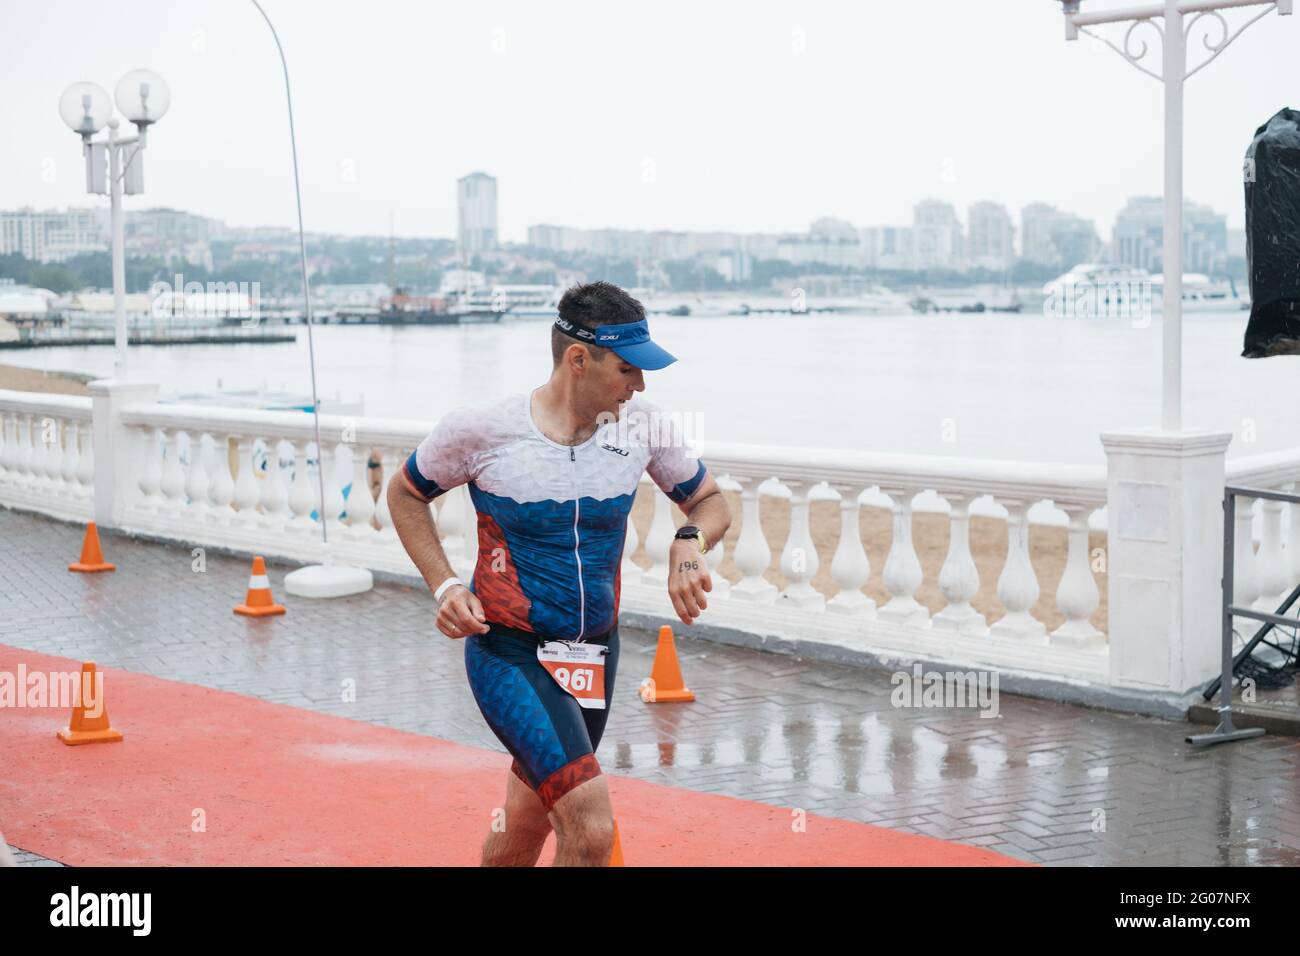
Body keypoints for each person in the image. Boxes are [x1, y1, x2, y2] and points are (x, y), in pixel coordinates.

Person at [388, 281, 730, 866]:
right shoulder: (482, 430)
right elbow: (404, 494)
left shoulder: (643, 427)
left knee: (526, 823)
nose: (639, 385)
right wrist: (444, 583)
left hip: (595, 653)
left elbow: (710, 501)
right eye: (627, 370)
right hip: (509, 652)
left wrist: (689, 545)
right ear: (579, 360)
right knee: (591, 828)